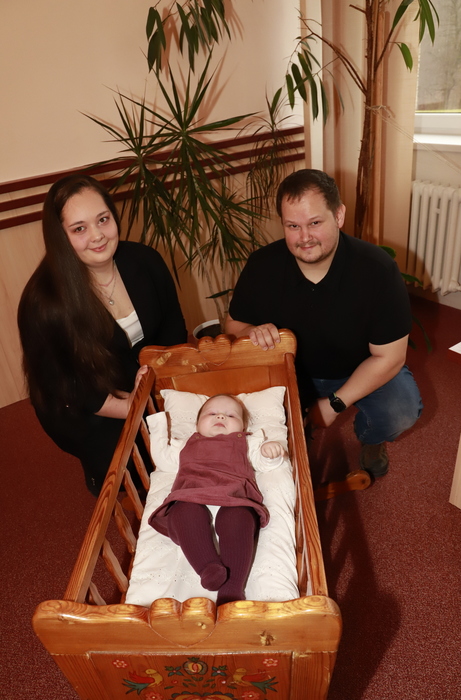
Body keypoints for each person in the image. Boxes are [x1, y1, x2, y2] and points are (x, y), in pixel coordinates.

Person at [225, 169, 423, 478]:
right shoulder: (262, 265)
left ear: (339, 216)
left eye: (315, 223)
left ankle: (371, 438)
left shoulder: (377, 270)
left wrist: (332, 406)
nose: (304, 237)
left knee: (401, 411)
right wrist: (252, 331)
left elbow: (391, 357)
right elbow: (233, 325)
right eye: (293, 226)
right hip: (288, 372)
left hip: (359, 369)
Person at [17, 174, 187, 495]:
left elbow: (172, 328)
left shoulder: (145, 260)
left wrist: (164, 387)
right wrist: (135, 407)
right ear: (60, 236)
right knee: (147, 479)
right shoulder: (43, 303)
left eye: (103, 220)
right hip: (90, 408)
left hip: (145, 381)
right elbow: (69, 388)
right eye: (79, 229)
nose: (97, 236)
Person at [148, 394, 286, 605]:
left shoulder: (247, 442)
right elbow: (163, 460)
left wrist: (270, 453)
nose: (221, 416)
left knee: (239, 518)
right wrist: (158, 428)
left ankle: (232, 590)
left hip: (234, 497)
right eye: (211, 413)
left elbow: (262, 463)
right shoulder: (185, 444)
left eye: (231, 415)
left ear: (243, 427)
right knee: (183, 512)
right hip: (190, 495)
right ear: (196, 425)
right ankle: (207, 567)